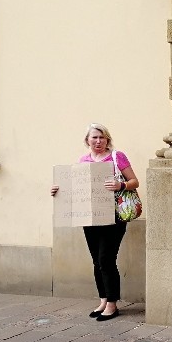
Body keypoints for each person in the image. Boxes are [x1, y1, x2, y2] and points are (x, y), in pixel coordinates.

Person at [50, 123, 139, 321]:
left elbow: (134, 182)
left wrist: (120, 184)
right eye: (94, 138)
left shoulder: (117, 157)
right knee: (97, 261)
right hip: (90, 217)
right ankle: (103, 300)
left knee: (107, 259)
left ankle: (113, 304)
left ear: (107, 139)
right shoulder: (83, 161)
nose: (98, 141)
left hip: (113, 217)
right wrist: (58, 191)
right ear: (87, 141)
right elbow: (76, 189)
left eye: (102, 137)